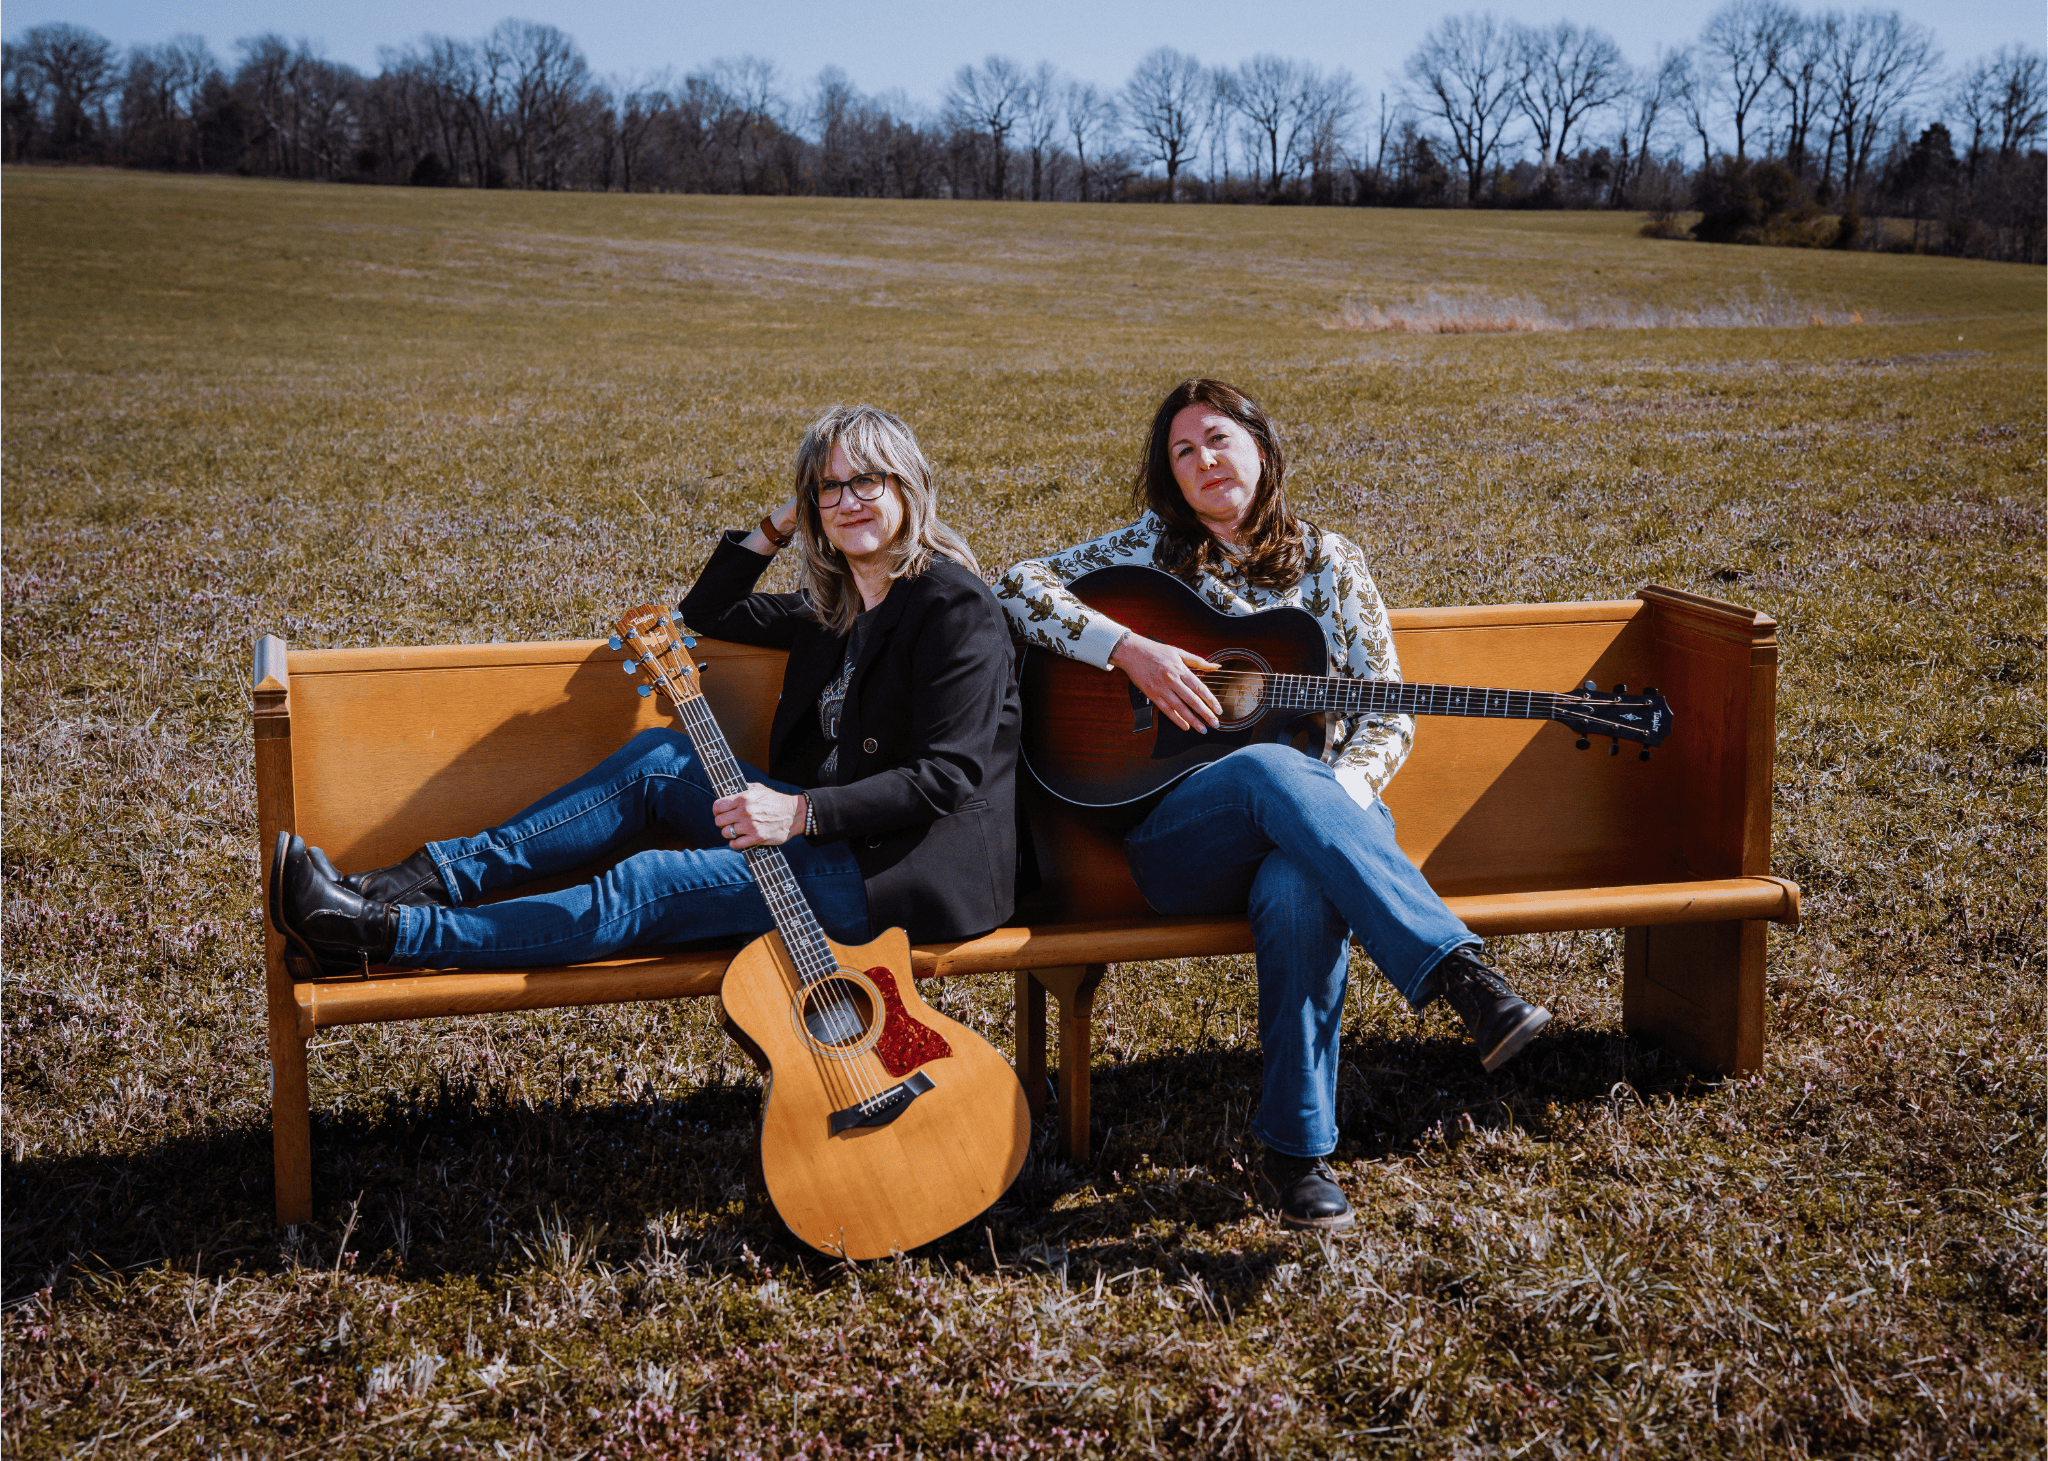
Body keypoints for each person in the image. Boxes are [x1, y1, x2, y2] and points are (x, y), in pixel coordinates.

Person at [995, 378, 1550, 1232]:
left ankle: (1298, 1158)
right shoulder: (1150, 549)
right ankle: (1462, 978)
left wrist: (1329, 801)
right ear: (1169, 478)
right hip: (1182, 843)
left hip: (1323, 835)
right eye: (1182, 452)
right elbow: (1015, 585)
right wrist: (1129, 649)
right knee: (1264, 769)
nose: (1203, 460)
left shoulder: (1333, 562)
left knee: (1300, 873)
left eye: (1217, 438)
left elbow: (1387, 710)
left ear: (1262, 447)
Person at [272, 404, 1020, 979]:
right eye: (830, 486)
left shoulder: (955, 606)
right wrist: (779, 522)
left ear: (908, 485)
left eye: (868, 480)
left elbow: (948, 775)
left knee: (647, 883)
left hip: (897, 879)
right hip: (828, 839)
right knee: (659, 758)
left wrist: (798, 811)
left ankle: (380, 937)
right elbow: (707, 613)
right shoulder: (836, 606)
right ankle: (407, 883)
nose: (850, 500)